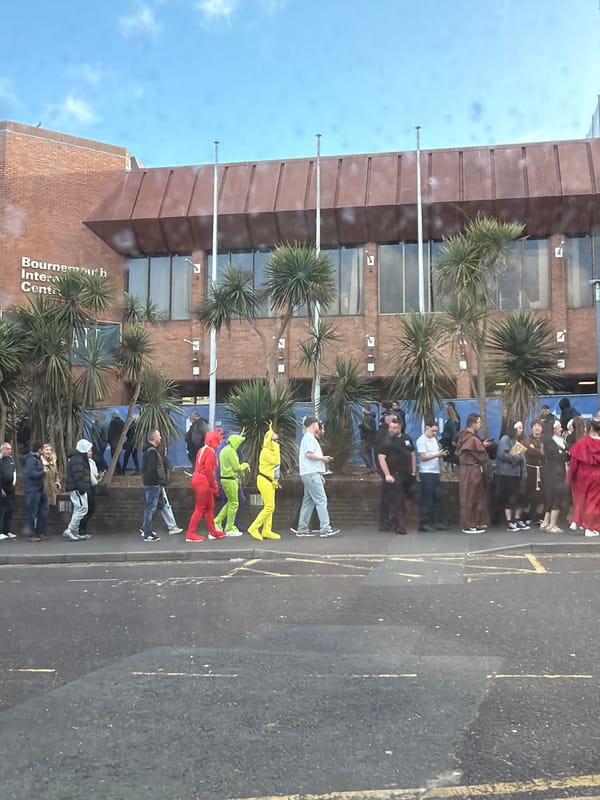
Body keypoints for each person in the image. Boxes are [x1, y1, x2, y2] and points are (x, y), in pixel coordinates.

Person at [291, 416, 340, 538]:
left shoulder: (307, 438)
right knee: (321, 500)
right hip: (311, 473)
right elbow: (308, 454)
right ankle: (325, 528)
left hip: (309, 473)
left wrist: (320, 474)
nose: (319, 427)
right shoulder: (309, 438)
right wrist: (322, 459)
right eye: (318, 425)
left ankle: (302, 529)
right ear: (313, 425)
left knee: (308, 501)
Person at [454, 413, 494, 534]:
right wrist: (483, 446)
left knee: (476, 497)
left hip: (471, 469)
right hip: (470, 469)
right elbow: (479, 454)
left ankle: (476, 521)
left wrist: (481, 445)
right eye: (479, 422)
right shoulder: (471, 439)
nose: (480, 425)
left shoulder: (465, 436)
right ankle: (468, 524)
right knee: (469, 497)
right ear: (474, 423)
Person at [376, 415, 416, 535]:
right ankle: (399, 526)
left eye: (394, 428)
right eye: (390, 427)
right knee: (396, 500)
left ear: (400, 428)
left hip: (407, 474)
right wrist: (387, 474)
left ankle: (394, 522)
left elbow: (412, 454)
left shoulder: (406, 438)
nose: (391, 430)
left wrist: (413, 471)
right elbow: (381, 457)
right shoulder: (386, 441)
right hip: (393, 475)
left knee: (405, 500)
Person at [186, 430, 227, 542]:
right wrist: (215, 488)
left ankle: (212, 532)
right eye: (218, 441)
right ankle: (190, 534)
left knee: (210, 506)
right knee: (200, 508)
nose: (219, 444)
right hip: (203, 481)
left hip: (197, 478)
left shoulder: (202, 450)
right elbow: (210, 472)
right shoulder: (210, 452)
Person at [247, 422, 282, 541]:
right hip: (263, 480)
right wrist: (276, 447)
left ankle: (267, 530)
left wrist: (274, 480)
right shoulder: (266, 451)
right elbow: (276, 461)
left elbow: (274, 468)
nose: (276, 443)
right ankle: (254, 527)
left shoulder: (271, 450)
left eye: (277, 441)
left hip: (269, 481)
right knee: (269, 507)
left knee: (271, 507)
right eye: (274, 440)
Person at [567, 417, 600, 537]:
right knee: (594, 502)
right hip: (597, 476)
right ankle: (590, 527)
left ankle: (578, 522)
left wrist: (569, 477)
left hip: (581, 475)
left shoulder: (582, 442)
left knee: (581, 499)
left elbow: (574, 462)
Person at [495, 421, 529, 531]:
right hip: (507, 473)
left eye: (522, 428)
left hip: (517, 473)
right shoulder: (505, 439)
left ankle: (517, 519)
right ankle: (509, 520)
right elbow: (502, 454)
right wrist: (517, 457)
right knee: (509, 497)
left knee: (519, 497)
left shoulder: (516, 440)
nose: (521, 430)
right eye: (519, 428)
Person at [214, 433, 250, 535]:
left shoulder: (223, 450)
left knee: (230, 503)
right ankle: (229, 528)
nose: (239, 445)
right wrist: (245, 465)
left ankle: (217, 521)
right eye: (239, 442)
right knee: (234, 504)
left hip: (224, 479)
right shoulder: (230, 451)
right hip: (231, 480)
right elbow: (236, 467)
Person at [416, 420, 447, 532]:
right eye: (432, 430)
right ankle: (424, 523)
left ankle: (436, 522)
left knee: (437, 498)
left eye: (436, 431)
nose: (434, 433)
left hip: (435, 472)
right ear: (426, 428)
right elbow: (423, 457)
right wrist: (436, 455)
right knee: (427, 499)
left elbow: (436, 453)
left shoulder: (434, 439)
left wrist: (441, 454)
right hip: (426, 472)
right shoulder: (421, 440)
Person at [539, 419, 569, 533]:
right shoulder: (550, 443)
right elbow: (558, 456)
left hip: (556, 471)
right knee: (555, 496)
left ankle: (545, 522)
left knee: (551, 497)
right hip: (554, 472)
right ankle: (552, 524)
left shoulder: (560, 441)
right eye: (559, 427)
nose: (561, 429)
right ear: (554, 429)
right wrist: (565, 454)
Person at [140, 429, 168, 542]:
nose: (160, 437)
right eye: (159, 435)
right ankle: (147, 533)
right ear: (154, 438)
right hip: (153, 484)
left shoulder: (151, 451)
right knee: (150, 508)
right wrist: (157, 482)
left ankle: (145, 527)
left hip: (155, 484)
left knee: (160, 505)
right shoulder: (151, 452)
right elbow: (151, 470)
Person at [63, 439, 93, 541]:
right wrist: (82, 489)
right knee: (82, 508)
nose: (90, 451)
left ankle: (74, 531)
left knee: (78, 508)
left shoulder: (77, 458)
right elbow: (78, 475)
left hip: (77, 488)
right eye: (89, 449)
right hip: (77, 488)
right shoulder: (78, 459)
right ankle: (70, 529)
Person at [23, 442, 49, 542]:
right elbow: (30, 474)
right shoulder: (31, 459)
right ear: (39, 450)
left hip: (40, 489)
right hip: (32, 490)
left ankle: (40, 532)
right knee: (32, 513)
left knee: (43, 511)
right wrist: (43, 472)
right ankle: (31, 534)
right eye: (43, 449)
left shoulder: (38, 459)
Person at [524, 420, 545, 526]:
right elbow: (527, 451)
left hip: (542, 470)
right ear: (532, 428)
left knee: (541, 495)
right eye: (535, 426)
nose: (537, 428)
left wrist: (538, 452)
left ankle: (539, 517)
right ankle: (526, 517)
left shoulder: (545, 440)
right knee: (529, 494)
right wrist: (539, 452)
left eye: (539, 426)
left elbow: (547, 454)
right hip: (530, 470)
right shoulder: (527, 439)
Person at [79, 447, 103, 538]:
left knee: (91, 509)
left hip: (91, 487)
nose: (91, 452)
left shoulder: (92, 462)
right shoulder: (83, 463)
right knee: (86, 509)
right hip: (86, 487)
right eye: (88, 451)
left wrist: (99, 476)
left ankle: (82, 528)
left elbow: (94, 475)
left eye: (91, 450)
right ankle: (81, 529)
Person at [0, 442, 17, 540]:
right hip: (2, 488)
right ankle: (0, 531)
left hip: (10, 488)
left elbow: (14, 472)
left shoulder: (11, 460)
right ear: (2, 449)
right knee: (1, 510)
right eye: (8, 449)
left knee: (9, 510)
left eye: (10, 448)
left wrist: (14, 482)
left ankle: (7, 530)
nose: (10, 450)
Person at [440, 402, 461, 472]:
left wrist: (453, 441)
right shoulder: (450, 421)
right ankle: (449, 471)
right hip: (446, 442)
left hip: (448, 442)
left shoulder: (451, 422)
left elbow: (454, 432)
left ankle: (452, 471)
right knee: (449, 458)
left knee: (450, 457)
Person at [358, 406, 377, 471]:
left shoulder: (367, 418)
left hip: (367, 438)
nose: (362, 410)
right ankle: (372, 468)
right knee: (368, 453)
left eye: (362, 408)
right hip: (370, 438)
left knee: (362, 452)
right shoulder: (371, 418)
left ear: (366, 409)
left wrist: (361, 425)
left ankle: (370, 468)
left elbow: (368, 429)